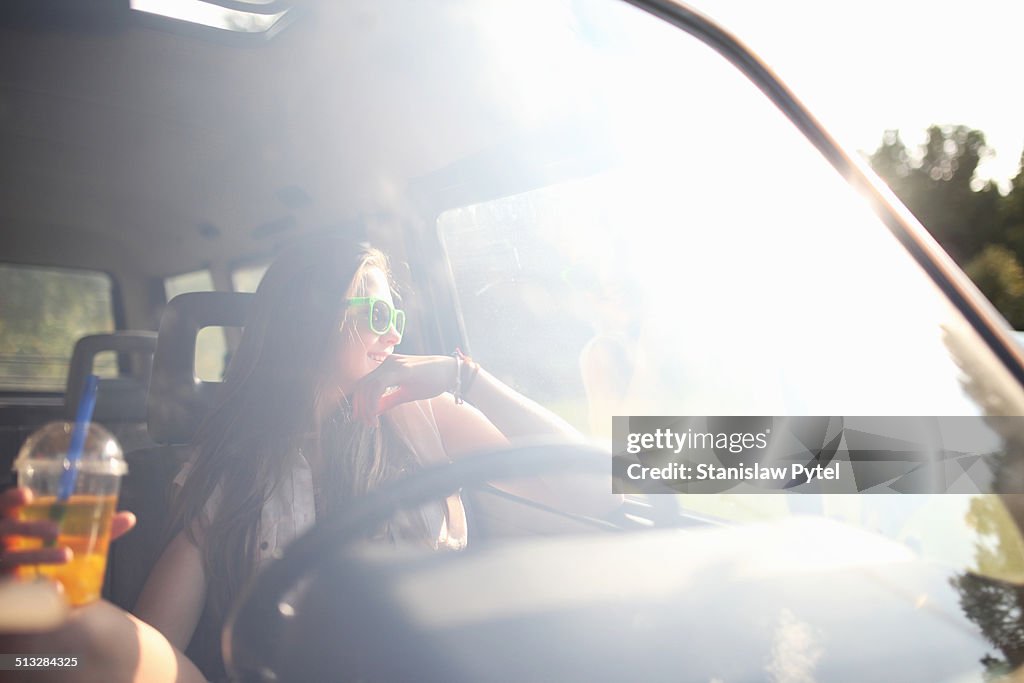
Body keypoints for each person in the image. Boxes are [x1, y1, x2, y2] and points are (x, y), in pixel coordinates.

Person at [1, 237, 617, 682]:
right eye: (377, 313)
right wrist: (51, 613)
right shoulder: (232, 471)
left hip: (430, 665)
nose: (396, 334)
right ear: (310, 322)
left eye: (397, 316)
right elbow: (152, 650)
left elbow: (596, 486)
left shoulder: (429, 419)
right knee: (81, 639)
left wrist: (466, 375)